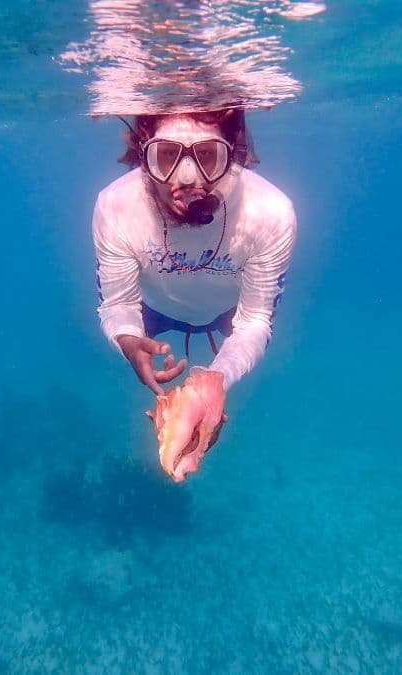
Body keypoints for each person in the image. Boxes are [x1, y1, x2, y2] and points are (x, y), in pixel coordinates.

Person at [91, 108, 296, 479]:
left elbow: (253, 323)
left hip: (226, 314)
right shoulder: (116, 206)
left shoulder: (271, 213)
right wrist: (127, 339)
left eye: (206, 156)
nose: (187, 179)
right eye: (166, 155)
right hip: (152, 310)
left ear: (232, 155)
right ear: (144, 156)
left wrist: (215, 379)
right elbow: (118, 304)